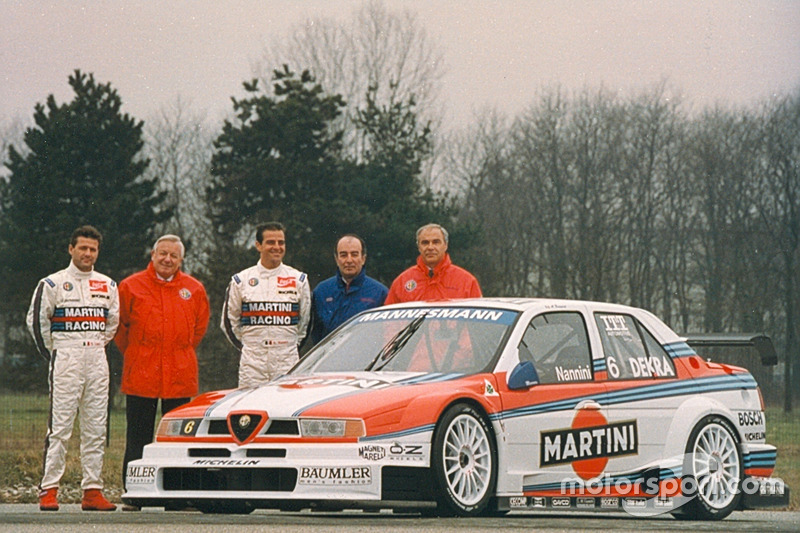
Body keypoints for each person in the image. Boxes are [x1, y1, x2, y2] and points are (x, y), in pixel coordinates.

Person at [26, 225, 119, 511]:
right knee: (60, 428)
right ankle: (49, 488)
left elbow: (111, 324)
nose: (88, 254)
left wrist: (92, 346)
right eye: (83, 248)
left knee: (95, 428)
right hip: (66, 359)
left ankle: (92, 490)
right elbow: (37, 323)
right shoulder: (52, 284)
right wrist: (56, 355)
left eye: (93, 249)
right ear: (71, 249)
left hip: (96, 359)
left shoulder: (108, 284)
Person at [115, 235, 210, 498]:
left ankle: (178, 494)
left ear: (181, 260)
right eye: (163, 254)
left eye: (174, 256)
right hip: (141, 373)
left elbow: (198, 328)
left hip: (179, 374)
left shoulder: (194, 289)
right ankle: (135, 492)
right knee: (138, 436)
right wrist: (139, 352)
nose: (167, 259)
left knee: (179, 439)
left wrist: (176, 351)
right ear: (153, 255)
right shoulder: (130, 286)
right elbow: (119, 328)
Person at [222, 222, 311, 387]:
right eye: (271, 242)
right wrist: (249, 347)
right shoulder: (241, 280)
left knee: (286, 409)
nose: (277, 247)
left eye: (281, 243)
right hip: (253, 365)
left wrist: (289, 347)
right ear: (258, 245)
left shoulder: (299, 280)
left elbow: (305, 323)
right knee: (251, 410)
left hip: (287, 362)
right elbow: (229, 322)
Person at [310, 234, 388, 344]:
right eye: (343, 255)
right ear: (336, 259)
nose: (349, 260)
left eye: (354, 254)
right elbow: (316, 334)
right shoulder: (321, 292)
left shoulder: (380, 293)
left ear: (363, 259)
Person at [385, 223, 482, 304]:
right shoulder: (402, 282)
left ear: (445, 245)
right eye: (425, 243)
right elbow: (389, 323)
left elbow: (478, 320)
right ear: (419, 247)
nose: (430, 247)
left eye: (436, 242)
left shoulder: (467, 282)